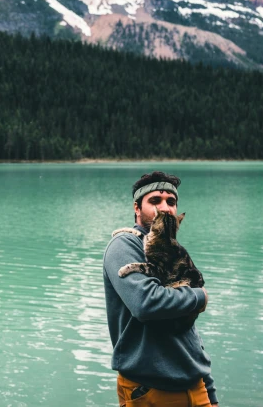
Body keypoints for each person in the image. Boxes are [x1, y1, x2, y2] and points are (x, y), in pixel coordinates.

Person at [103, 171, 218, 406]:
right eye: (155, 201)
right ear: (137, 207)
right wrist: (200, 296)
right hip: (150, 389)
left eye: (171, 202)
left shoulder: (173, 249)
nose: (164, 208)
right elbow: (146, 303)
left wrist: (209, 389)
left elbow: (188, 329)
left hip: (196, 386)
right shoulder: (124, 245)